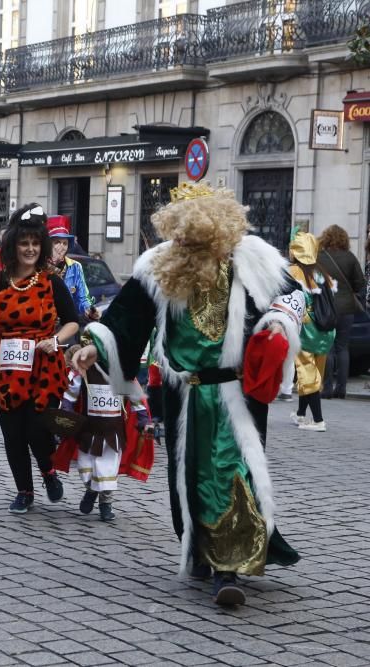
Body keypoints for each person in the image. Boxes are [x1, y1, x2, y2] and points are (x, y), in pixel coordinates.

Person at [70, 182, 303, 607]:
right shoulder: (158, 267)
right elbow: (125, 318)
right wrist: (94, 345)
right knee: (191, 479)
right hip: (186, 396)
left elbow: (293, 296)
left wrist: (278, 324)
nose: (184, 244)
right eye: (179, 236)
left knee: (230, 476)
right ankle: (200, 547)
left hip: (236, 396)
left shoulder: (251, 259)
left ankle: (227, 568)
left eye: (194, 237)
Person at [0, 205, 79, 513]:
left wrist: (55, 340)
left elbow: (72, 322)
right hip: (4, 368)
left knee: (38, 427)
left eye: (36, 243)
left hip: (42, 368)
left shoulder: (51, 282)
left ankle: (48, 472)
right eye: (24, 243)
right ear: (13, 245)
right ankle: (24, 490)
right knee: (13, 433)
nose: (30, 249)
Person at [58, 354, 151, 522]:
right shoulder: (84, 371)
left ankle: (105, 503)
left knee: (108, 468)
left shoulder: (124, 374)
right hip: (88, 430)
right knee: (84, 467)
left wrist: (143, 419)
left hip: (113, 432)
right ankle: (92, 489)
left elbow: (137, 399)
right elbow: (70, 394)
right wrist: (67, 409)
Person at [288, 232, 335, 432]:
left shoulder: (292, 272)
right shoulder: (322, 272)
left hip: (306, 331)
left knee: (307, 373)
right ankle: (300, 414)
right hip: (326, 331)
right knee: (314, 372)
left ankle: (318, 420)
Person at [317, 224, 365, 399]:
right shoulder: (350, 258)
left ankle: (327, 387)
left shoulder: (319, 257)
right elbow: (360, 284)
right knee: (343, 347)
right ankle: (341, 389)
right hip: (347, 309)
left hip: (326, 307)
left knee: (327, 347)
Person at [47, 216, 96, 323]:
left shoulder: (75, 267)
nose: (61, 247)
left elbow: (83, 298)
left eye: (65, 243)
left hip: (68, 326)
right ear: (48, 244)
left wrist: (89, 310)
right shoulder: (39, 266)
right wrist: (52, 265)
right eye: (57, 242)